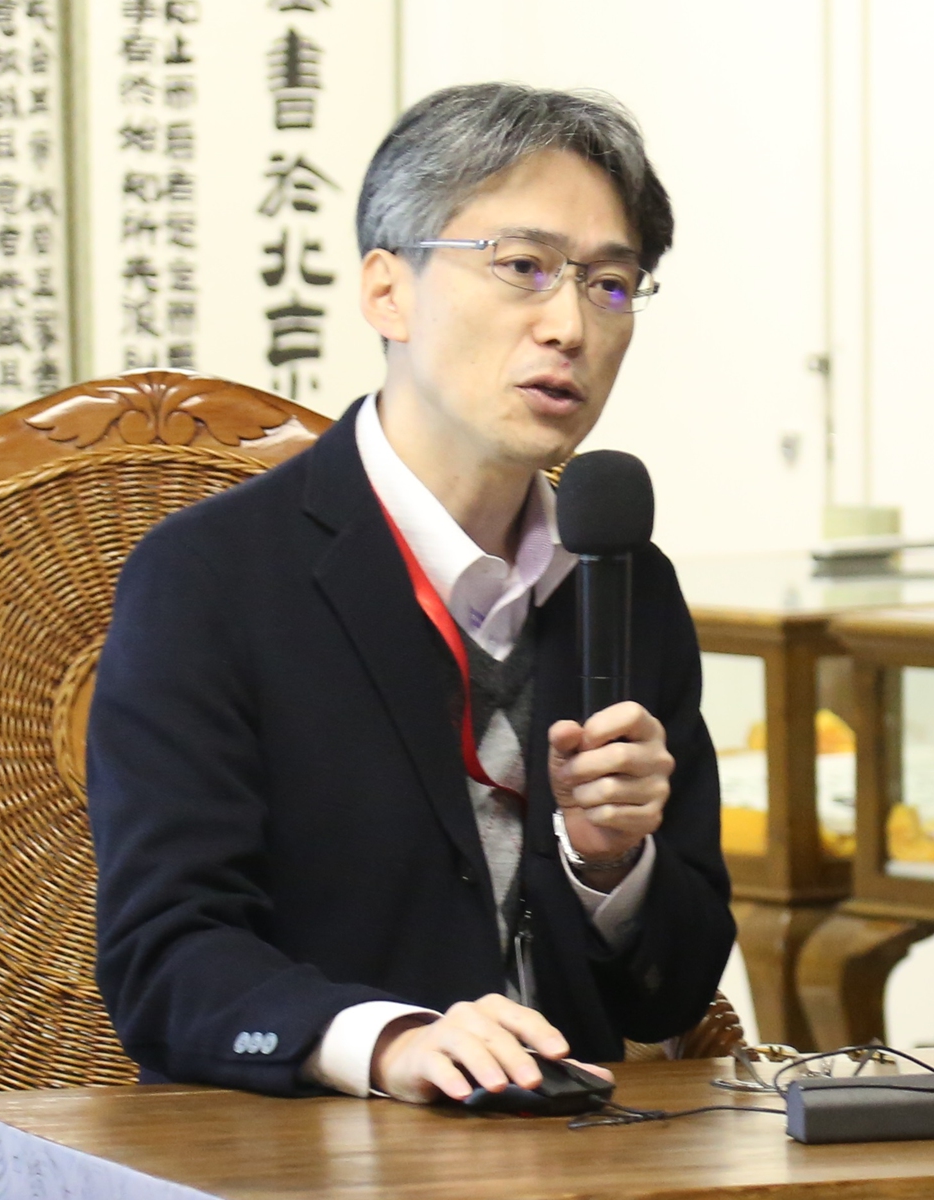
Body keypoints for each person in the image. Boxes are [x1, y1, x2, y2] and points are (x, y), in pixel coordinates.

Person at [87, 82, 736, 1106]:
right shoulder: (210, 578)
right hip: (301, 1157)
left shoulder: (624, 581)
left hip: (571, 1154)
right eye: (521, 268)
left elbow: (669, 996)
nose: (568, 323)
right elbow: (165, 958)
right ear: (387, 291)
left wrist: (610, 867)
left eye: (610, 284)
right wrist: (387, 1042)